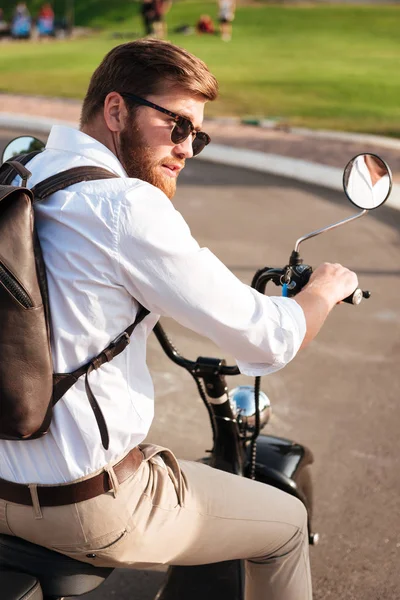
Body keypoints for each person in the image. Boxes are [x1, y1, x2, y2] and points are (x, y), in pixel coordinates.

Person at [0, 40, 358, 600]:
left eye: (199, 135)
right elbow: (269, 336)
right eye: (176, 125)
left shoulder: (25, 172)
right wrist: (323, 292)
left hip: (4, 485)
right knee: (284, 523)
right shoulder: (126, 207)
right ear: (116, 111)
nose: (188, 148)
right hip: (86, 508)